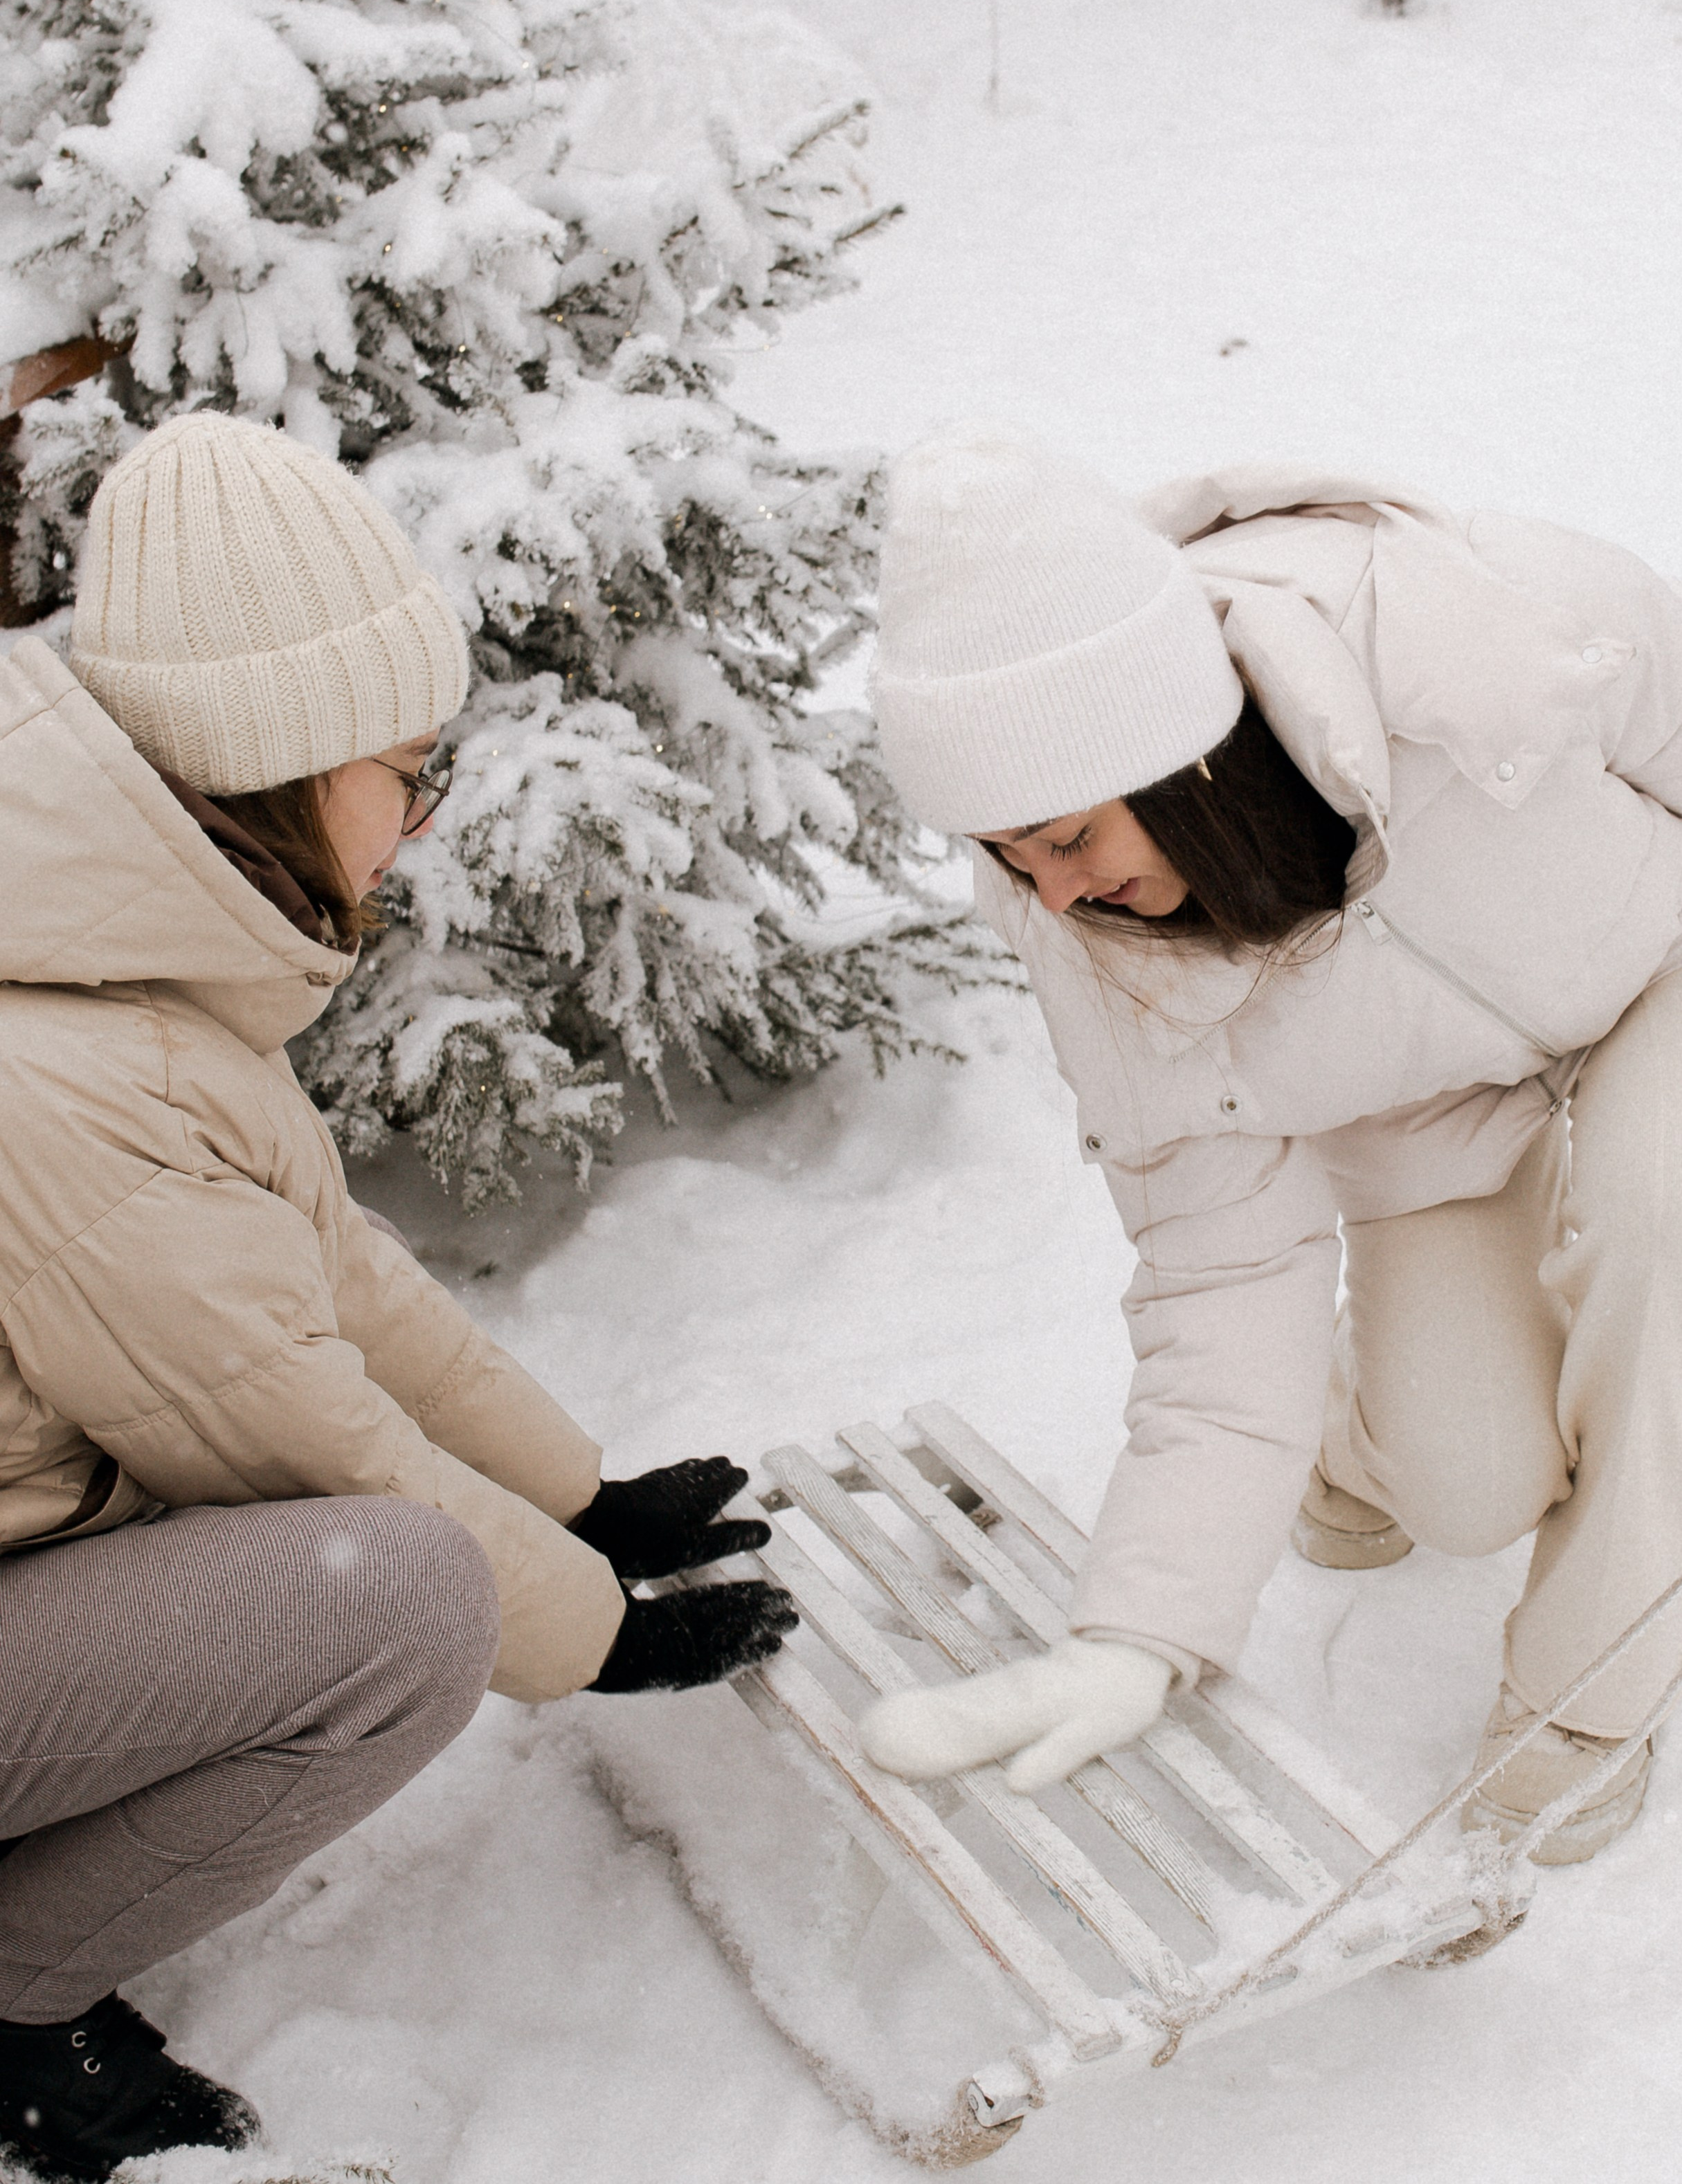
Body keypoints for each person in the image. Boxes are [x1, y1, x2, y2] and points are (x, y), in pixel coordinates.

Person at [0, 412, 795, 2183]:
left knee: (421, 1563)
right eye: (403, 768)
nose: (423, 820)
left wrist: (580, 1490)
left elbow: (325, 1272)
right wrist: (593, 1624)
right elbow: (295, 1435)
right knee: (401, 1604)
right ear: (274, 765)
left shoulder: (97, 951)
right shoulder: (53, 1074)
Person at [858, 426, 1682, 1867]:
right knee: (1470, 1479)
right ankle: (1363, 1435)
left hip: (1657, 982)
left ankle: (1587, 1694)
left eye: (1064, 834)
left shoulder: (1455, 625)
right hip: (1439, 1117)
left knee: (1659, 1227)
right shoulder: (1107, 960)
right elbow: (1215, 1274)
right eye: (1006, 858)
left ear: (1180, 755)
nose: (1049, 897)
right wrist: (1141, 1629)